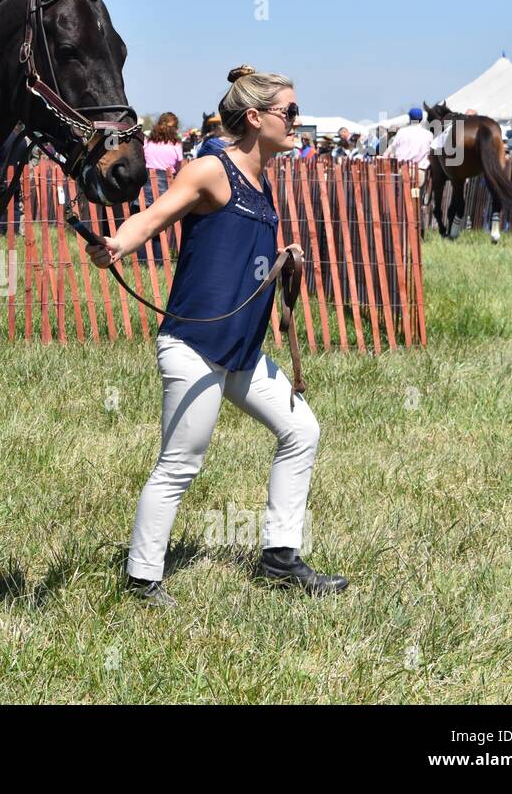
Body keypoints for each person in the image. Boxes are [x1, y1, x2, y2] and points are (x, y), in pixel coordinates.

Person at [87, 64, 347, 605]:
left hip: (244, 353)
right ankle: (143, 579)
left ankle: (280, 558)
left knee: (303, 432)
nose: (298, 121)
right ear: (255, 118)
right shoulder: (211, 169)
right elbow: (154, 216)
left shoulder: (263, 179)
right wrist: (116, 244)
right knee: (182, 462)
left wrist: (282, 262)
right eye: (290, 113)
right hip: (195, 348)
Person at [142, 112, 184, 261]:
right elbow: (179, 167)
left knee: (143, 223)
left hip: (145, 183)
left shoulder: (148, 142)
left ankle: (143, 260)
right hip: (165, 185)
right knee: (160, 227)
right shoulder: (176, 145)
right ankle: (159, 262)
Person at [388, 107, 434, 187]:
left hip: (403, 170)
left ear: (409, 118)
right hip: (420, 171)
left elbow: (391, 150)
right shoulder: (429, 135)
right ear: (421, 119)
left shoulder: (401, 132)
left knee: (401, 198)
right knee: (417, 197)